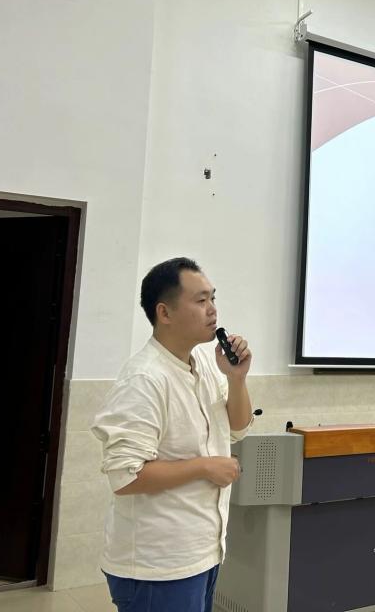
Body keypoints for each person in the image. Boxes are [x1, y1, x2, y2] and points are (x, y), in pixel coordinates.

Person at [91, 257, 254, 612]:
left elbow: (238, 428)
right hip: (158, 566)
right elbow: (125, 475)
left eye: (213, 298)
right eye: (201, 300)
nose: (213, 310)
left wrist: (236, 378)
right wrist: (205, 467)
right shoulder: (144, 379)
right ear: (164, 313)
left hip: (201, 552)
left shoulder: (203, 364)